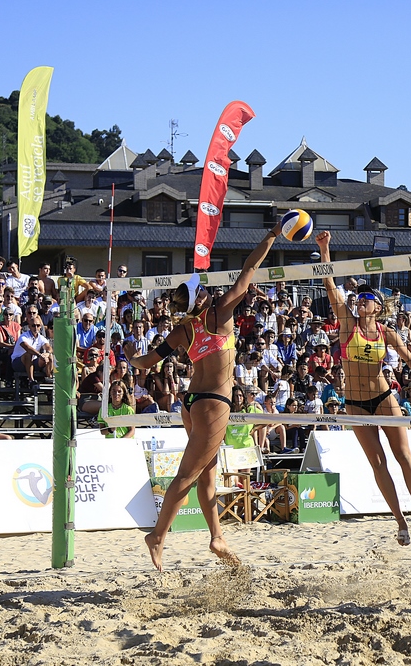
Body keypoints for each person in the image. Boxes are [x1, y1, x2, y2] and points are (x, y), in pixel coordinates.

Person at [124, 224, 279, 571]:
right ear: (202, 299)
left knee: (207, 474)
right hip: (213, 403)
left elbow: (148, 362)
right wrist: (270, 234)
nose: (209, 291)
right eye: (204, 290)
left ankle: (216, 536)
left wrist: (127, 357)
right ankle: (157, 536)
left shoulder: (183, 329)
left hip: (190, 403)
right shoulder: (221, 311)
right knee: (187, 475)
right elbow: (249, 270)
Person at [317, 231, 411, 544]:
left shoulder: (387, 332)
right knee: (378, 463)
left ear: (378, 307)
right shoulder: (346, 323)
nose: (360, 301)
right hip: (355, 404)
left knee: (404, 456)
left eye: (366, 298)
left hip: (384, 398)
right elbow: (331, 287)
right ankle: (400, 521)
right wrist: (325, 250)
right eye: (358, 298)